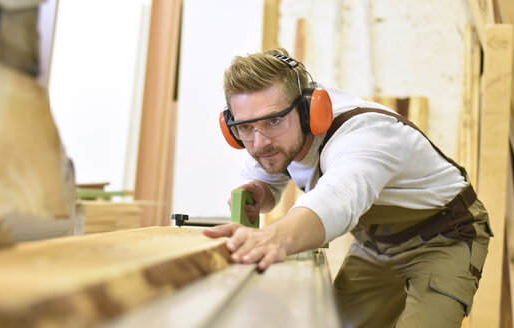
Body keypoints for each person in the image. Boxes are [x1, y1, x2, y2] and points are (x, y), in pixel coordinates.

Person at [203, 47, 492, 327]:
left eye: (274, 121)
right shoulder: (271, 141)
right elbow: (268, 181)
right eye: (245, 128)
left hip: (445, 237)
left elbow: (338, 198)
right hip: (377, 244)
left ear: (308, 111)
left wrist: (276, 237)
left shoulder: (364, 134)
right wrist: (259, 191)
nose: (259, 142)